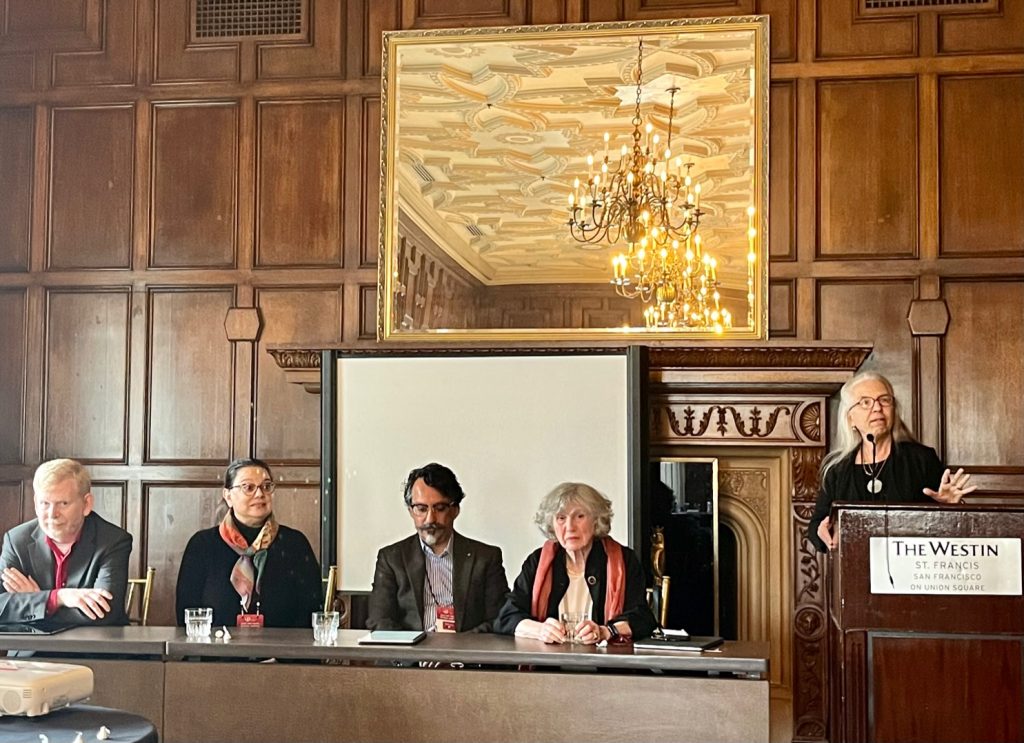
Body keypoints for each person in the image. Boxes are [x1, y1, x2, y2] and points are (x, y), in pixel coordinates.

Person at [808, 371, 977, 553]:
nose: (877, 408)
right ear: (850, 419)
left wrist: (950, 507)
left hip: (912, 564)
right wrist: (822, 531)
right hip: (855, 564)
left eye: (884, 400)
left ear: (893, 410)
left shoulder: (921, 459)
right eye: (865, 402)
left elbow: (952, 529)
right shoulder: (836, 470)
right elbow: (817, 524)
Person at [494, 482, 657, 643]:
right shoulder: (538, 561)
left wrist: (605, 631)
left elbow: (642, 618)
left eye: (580, 516)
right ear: (552, 524)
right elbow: (507, 616)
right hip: (548, 659)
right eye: (561, 518)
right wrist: (540, 630)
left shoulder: (624, 560)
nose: (570, 527)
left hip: (603, 658)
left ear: (596, 521)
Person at [175, 458, 322, 628]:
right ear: (228, 496)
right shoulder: (202, 545)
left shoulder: (294, 544)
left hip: (282, 644)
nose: (259, 494)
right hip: (217, 645)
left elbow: (310, 612)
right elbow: (187, 614)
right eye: (248, 487)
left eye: (266, 486)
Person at [367, 463, 508, 633]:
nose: (430, 519)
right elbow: (380, 621)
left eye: (439, 508)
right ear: (411, 511)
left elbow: (499, 619)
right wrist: (416, 647)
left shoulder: (485, 558)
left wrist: (458, 645)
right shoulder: (391, 559)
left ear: (455, 510)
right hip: (412, 650)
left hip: (467, 648)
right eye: (421, 509)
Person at [0, 458, 132, 626]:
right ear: (35, 504)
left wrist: (37, 602)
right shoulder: (16, 540)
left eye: (63, 503)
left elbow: (103, 612)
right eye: (45, 503)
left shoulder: (113, 540)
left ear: (86, 504)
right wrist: (57, 598)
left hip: (93, 642)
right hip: (32, 643)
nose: (52, 514)